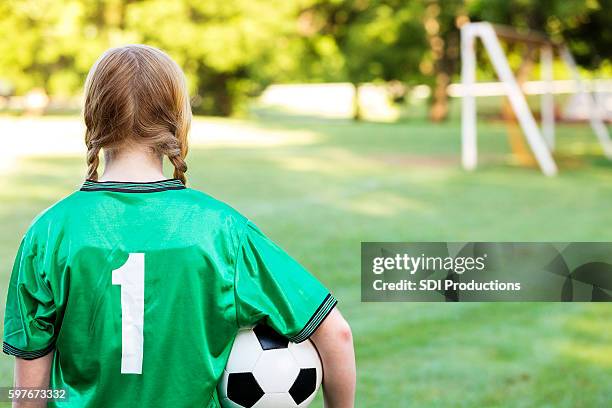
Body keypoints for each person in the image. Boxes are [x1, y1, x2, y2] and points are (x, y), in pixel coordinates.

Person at [3, 45, 356, 408]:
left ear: (92, 116)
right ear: (177, 119)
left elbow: (29, 397)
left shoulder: (48, 233)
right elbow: (337, 334)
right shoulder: (223, 230)